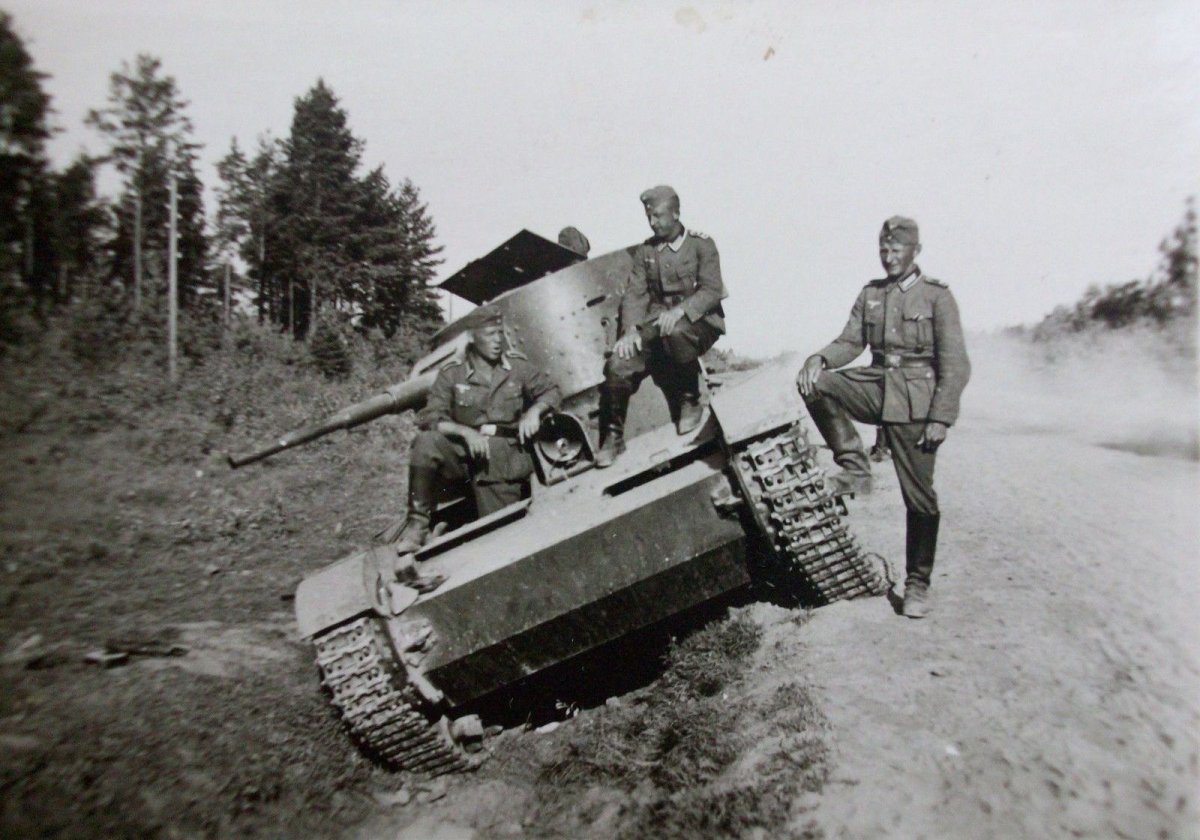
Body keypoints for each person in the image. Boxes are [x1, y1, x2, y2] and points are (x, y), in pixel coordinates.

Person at [795, 216, 970, 618]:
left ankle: (917, 585)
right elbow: (850, 342)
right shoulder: (870, 293)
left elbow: (956, 364)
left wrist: (940, 417)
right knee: (817, 383)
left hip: (916, 403)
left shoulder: (937, 296)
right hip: (876, 386)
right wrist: (818, 358)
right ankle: (856, 469)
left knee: (920, 499)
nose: (889, 257)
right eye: (883, 250)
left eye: (897, 250)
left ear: (916, 252)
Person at [392, 304, 561, 554]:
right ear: (472, 337)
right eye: (490, 334)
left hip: (503, 458)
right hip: (464, 454)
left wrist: (534, 412)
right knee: (426, 442)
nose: (497, 341)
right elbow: (430, 417)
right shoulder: (452, 374)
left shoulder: (516, 367)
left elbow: (551, 390)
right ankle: (417, 525)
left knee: (502, 538)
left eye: (499, 333)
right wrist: (465, 433)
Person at [596, 185, 728, 467]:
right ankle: (613, 434)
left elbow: (712, 290)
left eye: (657, 216)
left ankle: (690, 398)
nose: (653, 222)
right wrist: (630, 330)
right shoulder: (646, 251)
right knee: (619, 361)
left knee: (676, 330)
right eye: (649, 217)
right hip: (658, 324)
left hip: (700, 323)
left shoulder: (701, 244)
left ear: (676, 213)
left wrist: (681, 310)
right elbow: (635, 294)